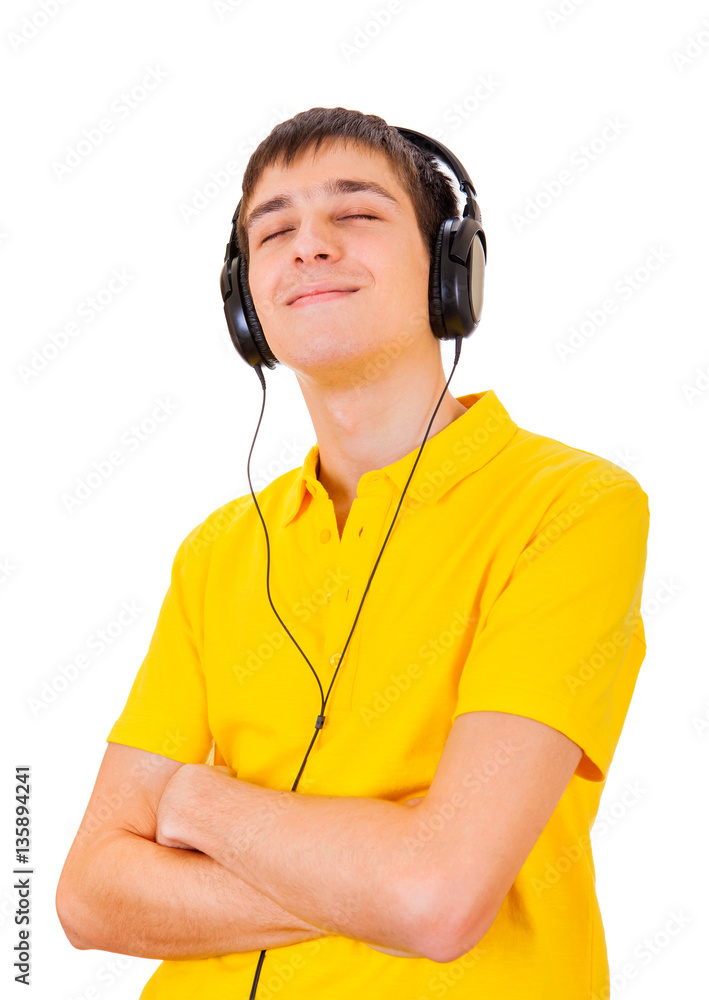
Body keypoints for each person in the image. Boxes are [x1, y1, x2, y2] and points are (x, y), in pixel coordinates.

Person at [56, 107, 650, 1000]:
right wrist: (378, 873)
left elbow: (435, 899)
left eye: (357, 214)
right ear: (244, 298)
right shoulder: (219, 550)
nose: (310, 246)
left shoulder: (571, 509)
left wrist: (196, 805)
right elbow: (89, 898)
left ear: (450, 273)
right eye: (275, 228)